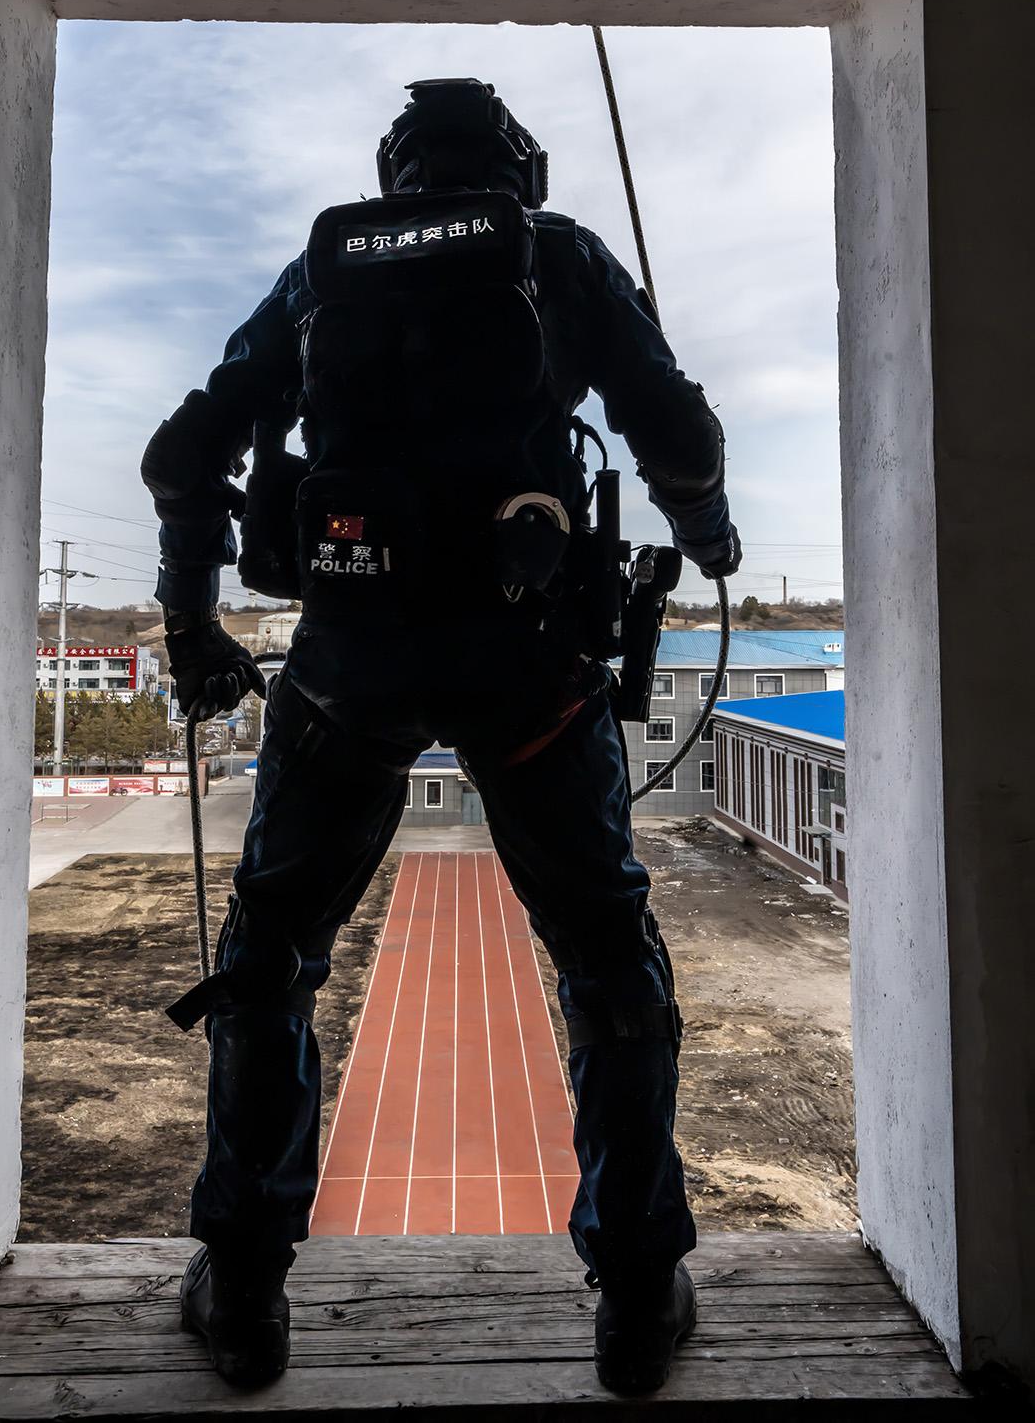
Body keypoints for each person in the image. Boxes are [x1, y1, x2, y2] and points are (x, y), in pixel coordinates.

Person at [141, 79, 741, 1393]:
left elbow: (185, 457)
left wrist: (191, 626)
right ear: (519, 171)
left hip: (347, 670)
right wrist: (710, 539)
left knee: (271, 959)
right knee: (605, 956)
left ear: (393, 175)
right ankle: (639, 1299)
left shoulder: (322, 272)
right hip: (533, 673)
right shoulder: (560, 255)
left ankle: (242, 1291)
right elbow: (678, 436)